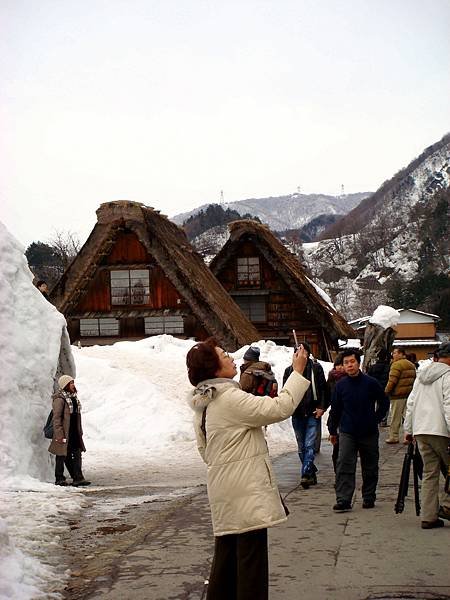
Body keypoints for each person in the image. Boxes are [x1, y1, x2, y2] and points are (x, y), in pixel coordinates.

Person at [186, 338, 310, 600]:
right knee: (251, 565)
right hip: (246, 491)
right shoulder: (229, 398)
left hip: (223, 490)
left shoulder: (204, 403)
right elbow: (280, 407)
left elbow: (204, 451)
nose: (231, 357)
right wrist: (297, 371)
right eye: (224, 354)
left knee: (227, 561)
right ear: (214, 367)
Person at [328, 349, 389, 512]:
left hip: (368, 431)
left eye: (352, 362)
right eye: (346, 363)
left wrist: (376, 419)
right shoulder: (340, 386)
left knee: (370, 466)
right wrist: (332, 430)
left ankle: (368, 496)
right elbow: (335, 409)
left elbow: (384, 402)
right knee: (344, 464)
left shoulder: (371, 383)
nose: (349, 365)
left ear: (358, 363)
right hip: (347, 431)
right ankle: (343, 499)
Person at [403, 341, 450, 529]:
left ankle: (428, 516)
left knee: (430, 472)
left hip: (422, 430)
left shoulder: (421, 376)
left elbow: (411, 403)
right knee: (449, 469)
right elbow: (449, 406)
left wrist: (409, 429)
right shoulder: (448, 376)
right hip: (441, 431)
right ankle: (447, 506)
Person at [283, 341, 329, 488]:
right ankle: (311, 471)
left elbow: (323, 389)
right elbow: (286, 391)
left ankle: (304, 475)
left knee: (309, 445)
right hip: (297, 413)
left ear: (308, 353)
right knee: (301, 447)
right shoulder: (289, 371)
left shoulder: (316, 368)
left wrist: (322, 406)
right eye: (296, 351)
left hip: (312, 412)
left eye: (302, 350)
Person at [48, 375, 90, 487]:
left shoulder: (73, 397)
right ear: (65, 385)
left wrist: (79, 431)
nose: (73, 385)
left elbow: (77, 416)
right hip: (64, 431)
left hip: (74, 432)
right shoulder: (60, 399)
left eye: (73, 383)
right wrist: (59, 434)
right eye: (71, 383)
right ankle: (59, 478)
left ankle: (78, 478)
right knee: (61, 455)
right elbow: (56, 419)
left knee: (77, 454)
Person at [385, 347, 416, 444]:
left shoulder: (396, 365)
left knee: (395, 417)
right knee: (408, 417)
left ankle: (393, 436)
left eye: (394, 353)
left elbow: (392, 380)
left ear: (401, 354)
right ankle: (408, 436)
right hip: (409, 394)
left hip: (397, 395)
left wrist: (386, 391)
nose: (393, 355)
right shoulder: (411, 364)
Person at [326, 354, 346, 473]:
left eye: (341, 365)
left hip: (349, 417)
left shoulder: (352, 379)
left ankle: (344, 473)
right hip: (336, 417)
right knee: (337, 449)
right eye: (337, 365)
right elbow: (327, 396)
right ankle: (338, 474)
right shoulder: (331, 379)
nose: (340, 368)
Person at [367, 348, 391, 427]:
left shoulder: (373, 367)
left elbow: (368, 377)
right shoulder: (389, 367)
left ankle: (370, 418)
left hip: (373, 389)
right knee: (384, 404)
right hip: (384, 388)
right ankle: (383, 421)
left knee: (371, 404)